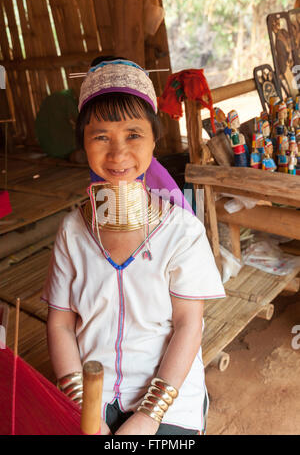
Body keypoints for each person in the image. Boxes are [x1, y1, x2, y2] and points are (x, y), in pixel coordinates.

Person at [42, 57, 226, 435]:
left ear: (154, 141)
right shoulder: (73, 232)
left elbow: (189, 324)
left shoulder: (182, 233)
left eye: (133, 134)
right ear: (84, 145)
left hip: (170, 399)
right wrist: (84, 404)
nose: (118, 153)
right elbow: (60, 324)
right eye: (100, 136)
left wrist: (148, 416)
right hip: (93, 394)